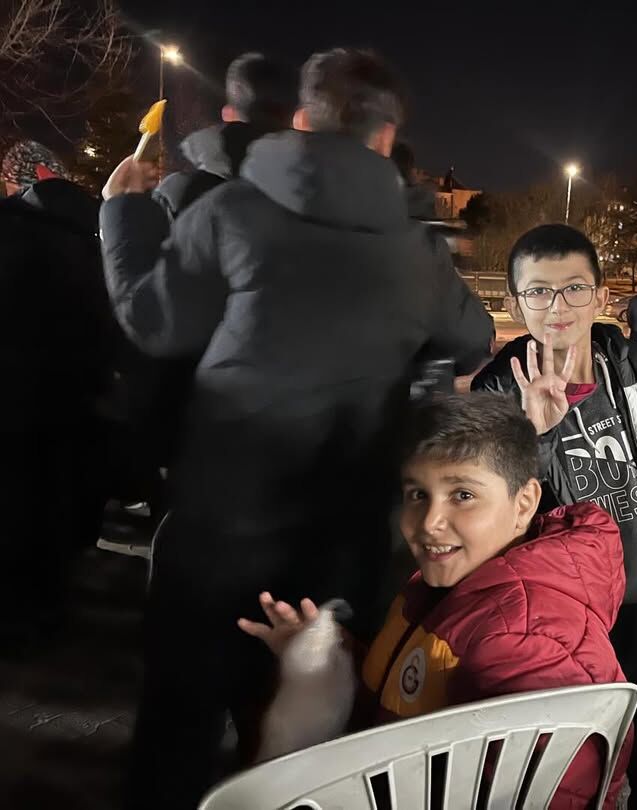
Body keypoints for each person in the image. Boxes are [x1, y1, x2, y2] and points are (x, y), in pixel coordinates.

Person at [99, 48, 494, 810]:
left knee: (176, 731)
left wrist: (121, 213)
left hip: (218, 533)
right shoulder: (416, 255)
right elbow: (473, 340)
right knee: (304, 746)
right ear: (386, 139)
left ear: (305, 121)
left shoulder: (229, 211)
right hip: (336, 552)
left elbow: (154, 322)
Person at [239, 393, 631, 808]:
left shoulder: (527, 639)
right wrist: (329, 658)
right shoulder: (453, 586)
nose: (429, 523)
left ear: (525, 504)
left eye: (463, 495)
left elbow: (557, 792)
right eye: (417, 494)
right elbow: (417, 686)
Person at [471, 224, 637, 810]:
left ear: (601, 296)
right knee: (576, 785)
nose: (558, 307)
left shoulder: (634, 365)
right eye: (539, 292)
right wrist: (537, 436)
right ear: (514, 303)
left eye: (575, 288)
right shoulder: (495, 394)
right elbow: (488, 521)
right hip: (570, 630)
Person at [0, 141, 119, 642]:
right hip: (81, 395)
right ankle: (51, 604)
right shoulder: (106, 223)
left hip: (14, 396)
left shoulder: (11, 226)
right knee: (59, 500)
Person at [156, 52, 293, 220]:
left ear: (227, 114)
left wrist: (119, 201)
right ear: (287, 116)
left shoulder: (177, 195)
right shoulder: (321, 194)